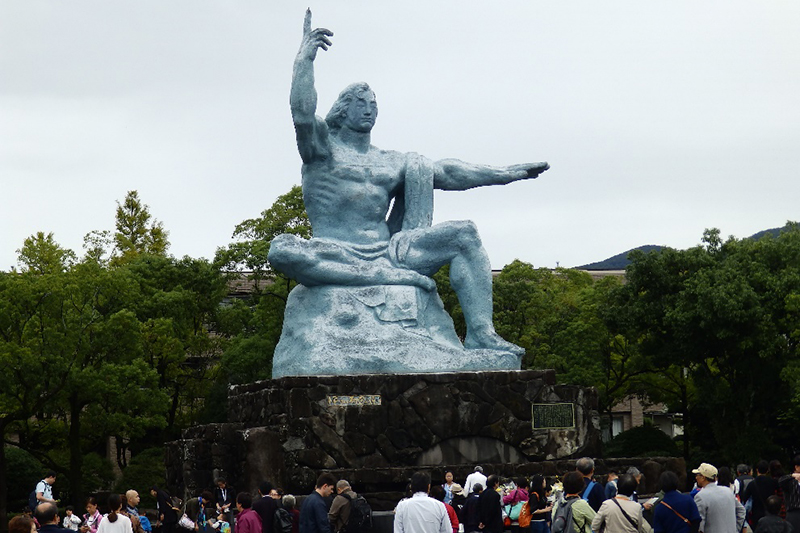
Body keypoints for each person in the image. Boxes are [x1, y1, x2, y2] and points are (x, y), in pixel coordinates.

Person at [270, 10, 550, 358]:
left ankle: (481, 334)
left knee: (464, 234)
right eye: (361, 104)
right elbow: (301, 114)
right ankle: (368, 277)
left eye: (374, 104)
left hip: (390, 253)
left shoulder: (391, 160)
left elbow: (447, 173)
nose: (369, 110)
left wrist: (506, 173)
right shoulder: (323, 150)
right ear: (342, 109)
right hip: (334, 250)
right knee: (281, 250)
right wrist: (304, 59)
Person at [693, 462, 745, 533]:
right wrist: (736, 529)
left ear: (703, 477)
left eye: (697, 475)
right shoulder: (727, 491)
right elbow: (741, 511)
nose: (696, 477)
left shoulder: (700, 496)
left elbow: (700, 523)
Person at [744, 461, 780, 527]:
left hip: (756, 515)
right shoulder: (773, 482)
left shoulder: (752, 484)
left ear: (757, 470)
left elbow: (745, 498)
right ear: (767, 470)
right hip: (770, 513)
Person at [779, 456, 800, 533]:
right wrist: (792, 476)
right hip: (794, 512)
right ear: (797, 467)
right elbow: (780, 481)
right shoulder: (790, 481)